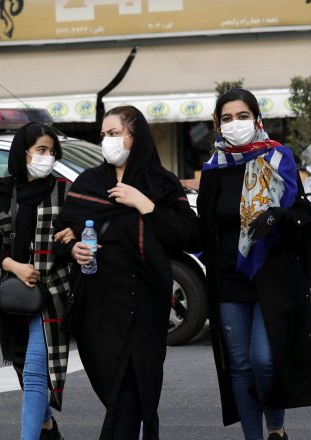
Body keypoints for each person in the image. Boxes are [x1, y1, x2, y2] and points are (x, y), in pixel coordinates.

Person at [189, 88, 311, 440]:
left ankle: (276, 427)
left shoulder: (277, 158)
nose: (235, 124)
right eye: (226, 118)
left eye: (242, 116)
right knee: (239, 366)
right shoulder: (214, 168)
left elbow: (301, 213)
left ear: (257, 120)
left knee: (264, 360)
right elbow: (204, 225)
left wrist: (277, 216)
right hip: (228, 278)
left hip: (273, 276)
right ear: (217, 124)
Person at [57, 106, 196, 439]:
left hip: (146, 301)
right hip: (99, 307)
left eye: (114, 133)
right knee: (116, 388)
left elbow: (189, 235)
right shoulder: (90, 182)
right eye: (103, 135)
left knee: (135, 387)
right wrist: (72, 248)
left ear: (136, 136)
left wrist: (143, 204)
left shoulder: (160, 183)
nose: (107, 141)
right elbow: (62, 229)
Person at [0, 122, 74, 440]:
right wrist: (16, 267)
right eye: (41, 150)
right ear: (24, 153)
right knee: (24, 368)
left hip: (54, 292)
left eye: (52, 151)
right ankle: (46, 427)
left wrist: (71, 237)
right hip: (16, 293)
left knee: (34, 371)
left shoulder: (65, 191)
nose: (48, 157)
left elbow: (79, 237)